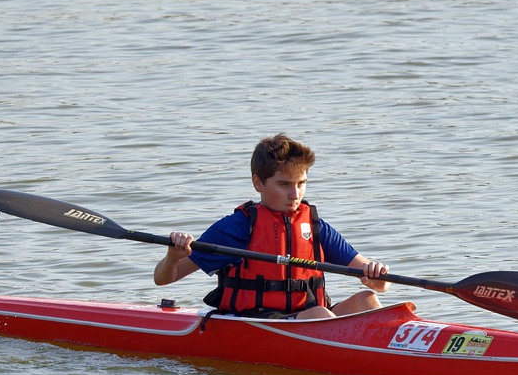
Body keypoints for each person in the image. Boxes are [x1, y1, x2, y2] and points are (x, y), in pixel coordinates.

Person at [154, 134, 390, 319]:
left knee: (367, 299)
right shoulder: (237, 227)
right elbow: (163, 278)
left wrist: (375, 276)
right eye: (284, 184)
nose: (294, 194)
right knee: (319, 314)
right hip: (255, 321)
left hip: (310, 318)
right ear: (258, 183)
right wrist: (173, 256)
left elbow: (381, 286)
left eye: (301, 183)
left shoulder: (315, 227)